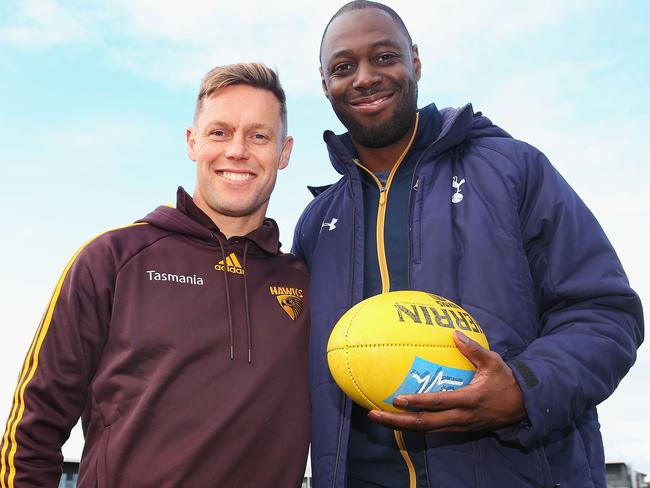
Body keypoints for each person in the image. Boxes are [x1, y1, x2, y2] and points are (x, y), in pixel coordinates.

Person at [292, 2, 644, 487]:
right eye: (344, 67)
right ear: (324, 82)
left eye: (385, 57)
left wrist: (523, 390)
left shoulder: (513, 170)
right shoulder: (316, 223)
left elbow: (606, 313)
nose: (365, 78)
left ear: (415, 61)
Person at [0, 62, 310, 487]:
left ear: (284, 151)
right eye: (219, 132)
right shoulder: (111, 259)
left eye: (259, 135)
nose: (237, 150)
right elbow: (33, 428)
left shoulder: (305, 284)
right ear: (192, 142)